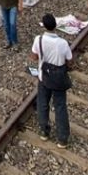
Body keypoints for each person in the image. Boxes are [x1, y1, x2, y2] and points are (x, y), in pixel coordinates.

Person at [31, 13, 73, 149]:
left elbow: (34, 57)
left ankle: (44, 131)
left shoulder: (39, 39)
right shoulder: (63, 43)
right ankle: (62, 139)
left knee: (43, 104)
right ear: (55, 26)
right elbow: (70, 60)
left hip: (44, 77)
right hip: (59, 79)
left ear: (44, 26)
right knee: (60, 107)